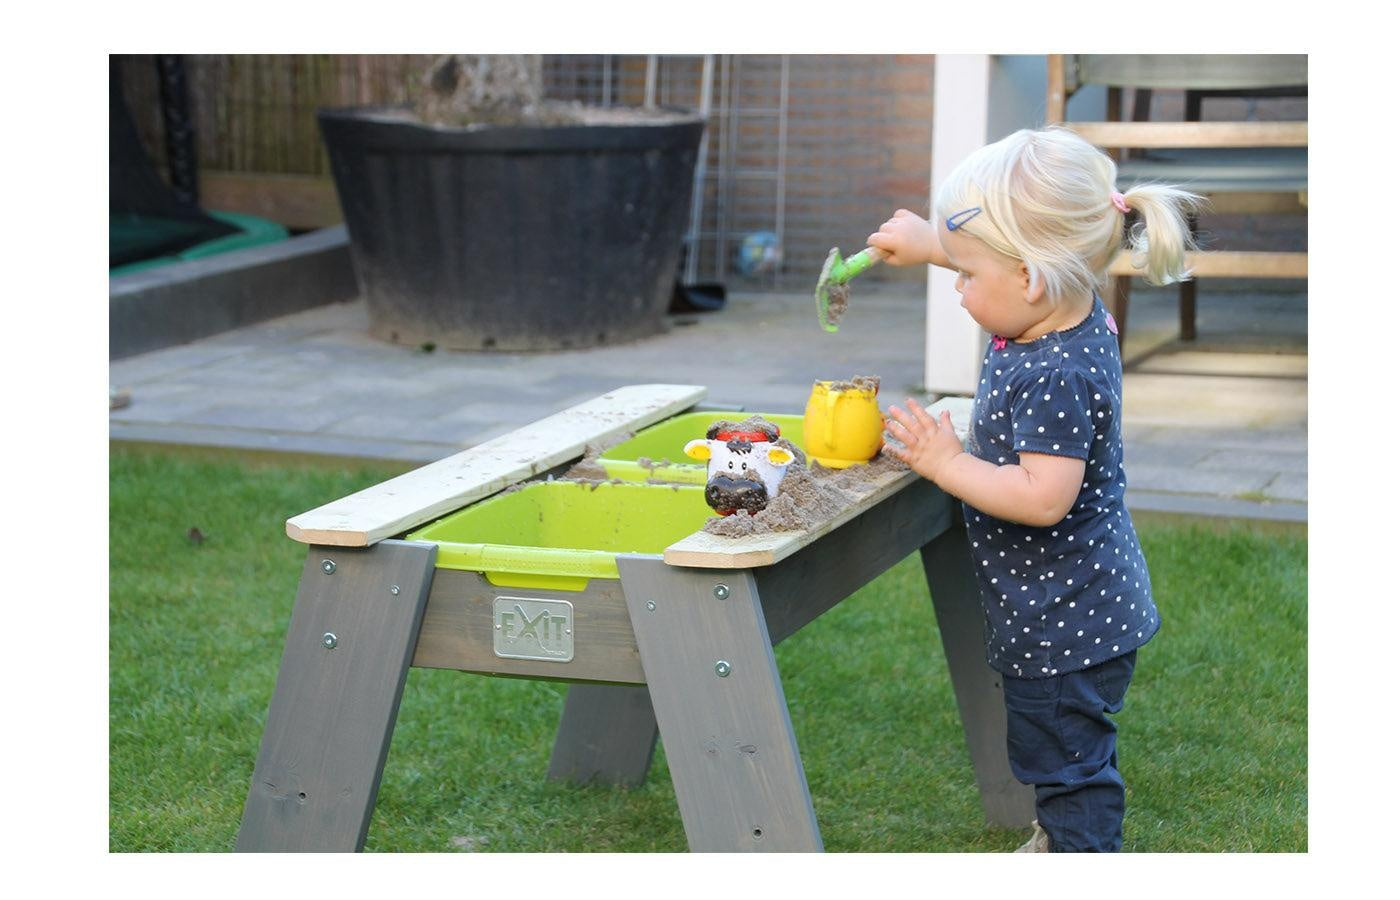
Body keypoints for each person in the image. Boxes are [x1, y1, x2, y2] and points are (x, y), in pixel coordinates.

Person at [869, 126, 1203, 853]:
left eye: (964, 275)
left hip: (1066, 625)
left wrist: (944, 461)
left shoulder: (1054, 372)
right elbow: (1005, 265)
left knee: (1067, 765)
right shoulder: (1067, 308)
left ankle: (1080, 849)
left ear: (1029, 280)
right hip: (1074, 607)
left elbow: (1042, 496)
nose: (957, 290)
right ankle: (1063, 835)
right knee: (1065, 750)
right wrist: (937, 243)